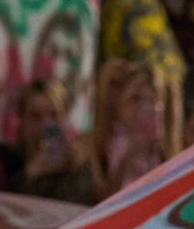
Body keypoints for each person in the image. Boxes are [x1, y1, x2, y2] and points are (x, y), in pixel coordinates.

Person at [91, 60, 181, 201]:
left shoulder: (163, 147)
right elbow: (108, 195)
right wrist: (131, 154)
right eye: (136, 99)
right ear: (120, 103)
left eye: (153, 101)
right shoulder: (111, 141)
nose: (143, 108)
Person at [12, 79, 95, 205]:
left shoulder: (74, 160)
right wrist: (33, 172)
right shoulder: (8, 158)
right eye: (36, 116)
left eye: (54, 115)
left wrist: (78, 169)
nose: (47, 123)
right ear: (22, 120)